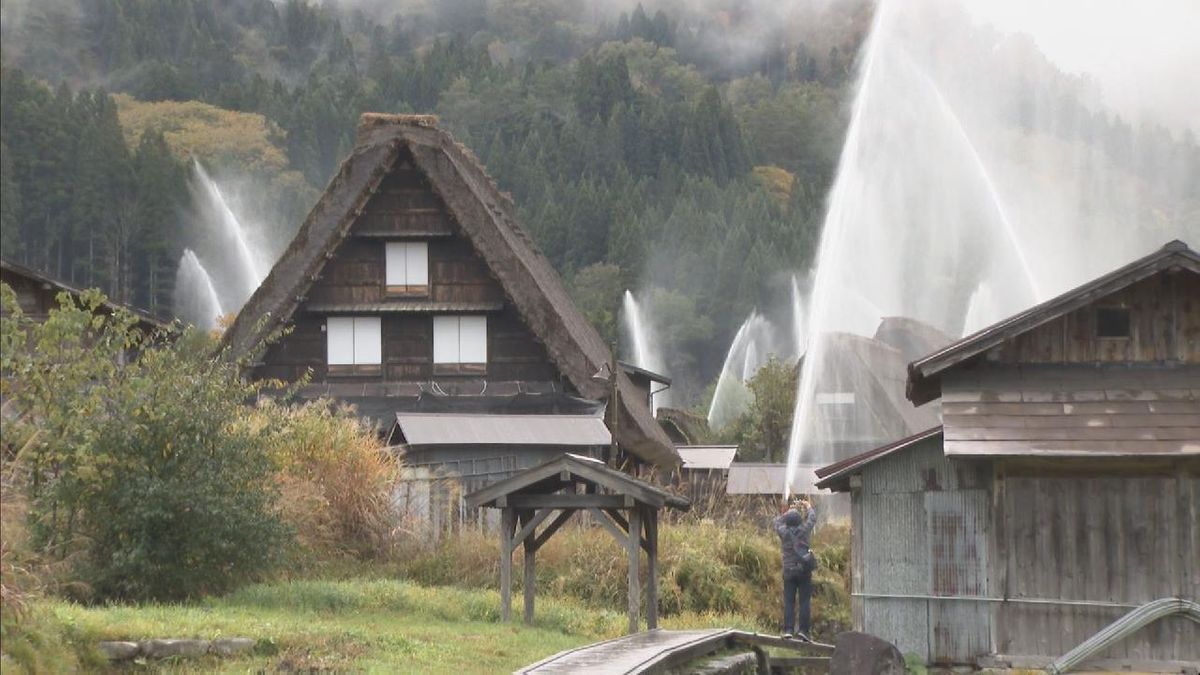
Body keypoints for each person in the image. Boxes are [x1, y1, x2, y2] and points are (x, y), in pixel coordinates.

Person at [773, 496, 817, 639]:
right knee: (804, 601)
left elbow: (776, 522)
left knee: (789, 602)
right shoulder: (804, 530)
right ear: (799, 520)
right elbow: (812, 518)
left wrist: (787, 512)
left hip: (789, 571)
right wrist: (807, 506)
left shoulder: (784, 533)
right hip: (804, 570)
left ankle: (788, 630)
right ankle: (803, 631)